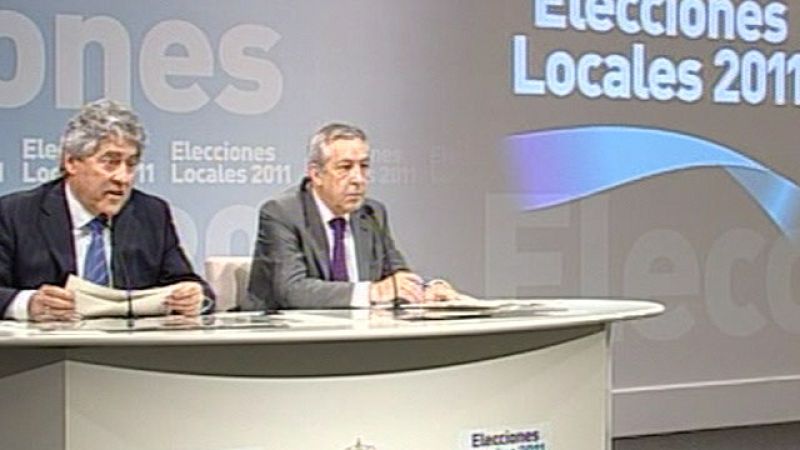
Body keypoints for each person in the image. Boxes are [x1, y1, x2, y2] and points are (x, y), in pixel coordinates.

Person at [0, 99, 213, 321]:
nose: (123, 178)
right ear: (71, 162)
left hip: (131, 342)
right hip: (50, 341)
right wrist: (28, 304)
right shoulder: (15, 214)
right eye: (110, 162)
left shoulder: (150, 214)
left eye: (131, 164)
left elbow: (190, 285)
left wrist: (194, 298)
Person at [247, 122, 456, 310]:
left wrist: (426, 288)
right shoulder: (282, 213)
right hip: (289, 335)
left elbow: (395, 273)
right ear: (316, 174)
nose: (358, 178)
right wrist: (371, 292)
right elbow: (292, 291)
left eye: (363, 166)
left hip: (358, 333)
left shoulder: (371, 213)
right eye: (345, 167)